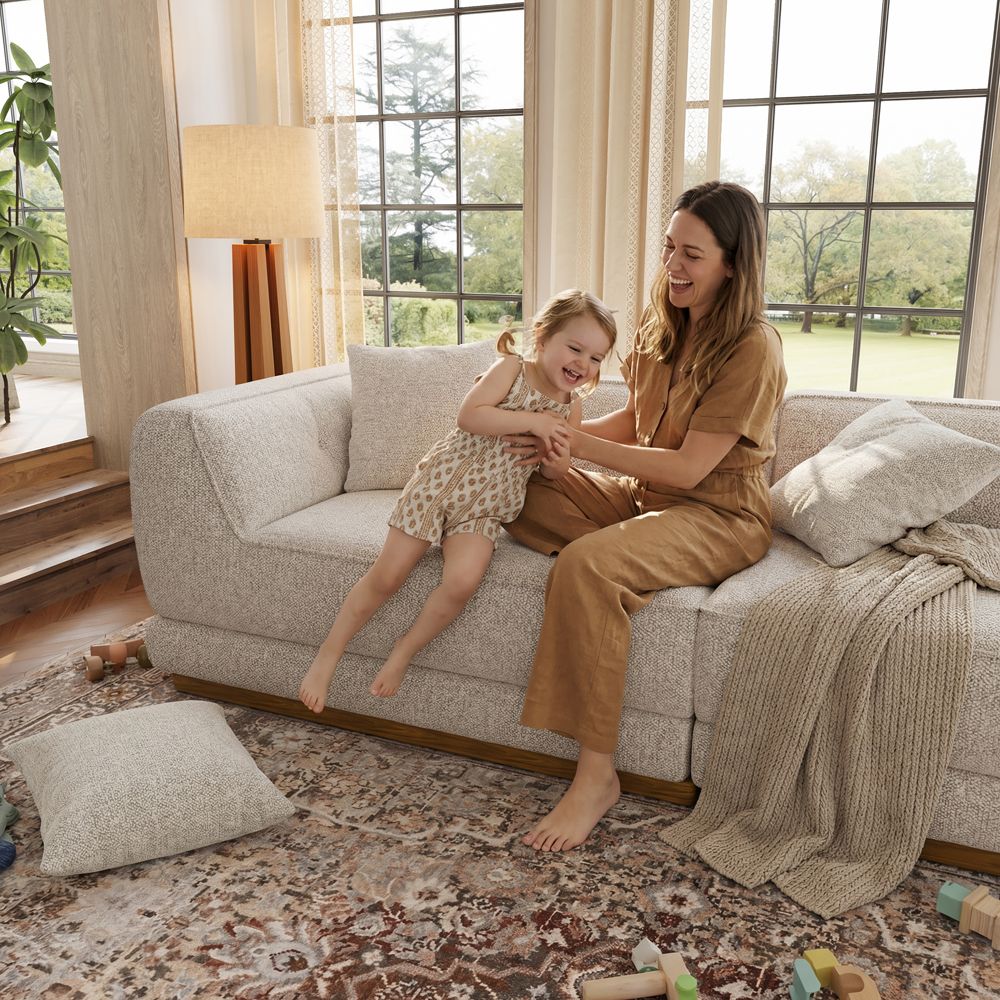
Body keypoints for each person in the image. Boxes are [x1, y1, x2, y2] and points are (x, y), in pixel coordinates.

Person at [502, 181, 788, 852]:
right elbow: (634, 421)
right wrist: (550, 434)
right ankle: (631, 557)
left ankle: (596, 776)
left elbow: (689, 469)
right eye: (668, 248)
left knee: (587, 565)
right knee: (525, 487)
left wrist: (579, 447)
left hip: (720, 515)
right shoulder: (666, 327)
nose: (674, 266)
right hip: (649, 504)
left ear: (732, 263)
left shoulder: (752, 347)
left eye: (691, 253)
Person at [298, 289, 618, 712]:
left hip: (487, 509)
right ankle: (329, 655)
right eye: (575, 348)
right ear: (542, 338)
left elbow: (553, 472)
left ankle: (404, 650)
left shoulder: (570, 409)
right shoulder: (510, 369)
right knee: (388, 576)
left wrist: (554, 459)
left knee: (462, 582)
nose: (583, 363)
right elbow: (470, 416)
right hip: (440, 486)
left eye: (596, 358)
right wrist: (532, 421)